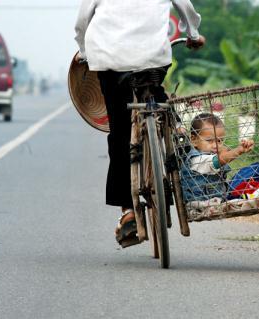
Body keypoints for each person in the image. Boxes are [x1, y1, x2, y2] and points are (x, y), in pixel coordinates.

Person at [74, 0, 205, 247]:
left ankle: (128, 211)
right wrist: (194, 34)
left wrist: (83, 50)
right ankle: (171, 135)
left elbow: (82, 22)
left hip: (110, 63)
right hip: (153, 60)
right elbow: (186, 8)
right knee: (157, 100)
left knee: (120, 132)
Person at [180, 113, 254, 202]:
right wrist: (238, 150)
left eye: (219, 141)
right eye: (209, 140)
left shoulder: (211, 154)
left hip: (218, 200)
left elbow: (224, 156)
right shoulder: (196, 159)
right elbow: (217, 161)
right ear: (194, 140)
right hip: (201, 204)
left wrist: (233, 149)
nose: (215, 145)